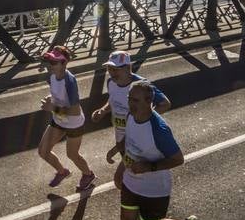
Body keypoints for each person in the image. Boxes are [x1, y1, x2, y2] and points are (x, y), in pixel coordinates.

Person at [117, 79, 197, 220]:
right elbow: (130, 140)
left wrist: (149, 167)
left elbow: (178, 159)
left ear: (149, 101)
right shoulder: (130, 115)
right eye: (130, 99)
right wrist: (119, 161)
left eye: (136, 100)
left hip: (154, 190)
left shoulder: (159, 130)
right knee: (127, 219)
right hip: (131, 182)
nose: (131, 104)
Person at [91, 51, 171, 188]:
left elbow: (165, 103)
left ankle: (144, 201)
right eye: (109, 68)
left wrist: (141, 122)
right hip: (121, 137)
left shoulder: (141, 85)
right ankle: (143, 199)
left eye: (116, 69)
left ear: (128, 67)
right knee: (132, 175)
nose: (112, 72)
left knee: (121, 179)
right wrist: (103, 110)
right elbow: (113, 99)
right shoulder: (111, 82)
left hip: (136, 140)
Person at [38, 45, 96, 191]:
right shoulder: (51, 76)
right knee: (43, 151)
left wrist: (52, 108)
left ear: (64, 63)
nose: (49, 66)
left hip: (74, 123)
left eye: (53, 62)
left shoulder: (69, 81)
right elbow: (58, 94)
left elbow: (75, 111)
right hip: (59, 119)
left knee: (72, 155)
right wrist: (51, 98)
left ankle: (88, 175)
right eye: (48, 61)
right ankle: (62, 171)